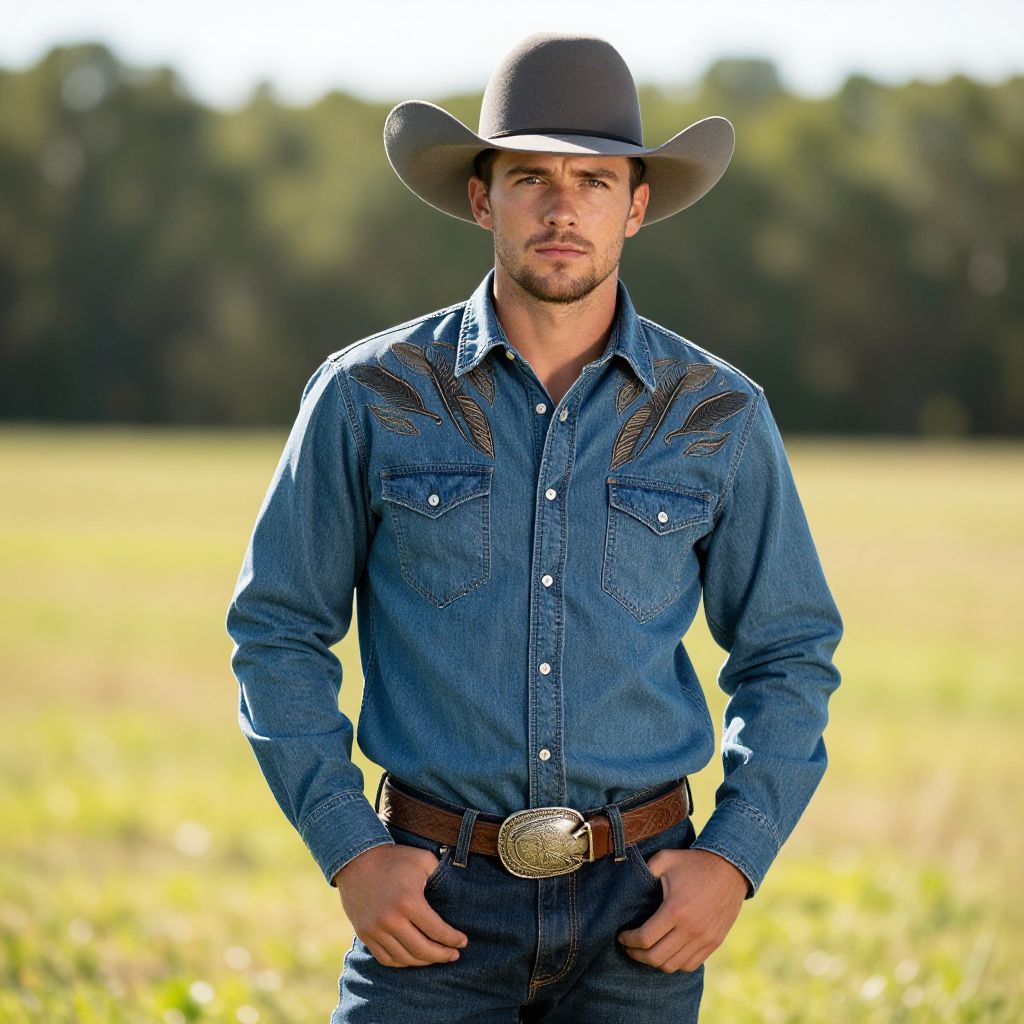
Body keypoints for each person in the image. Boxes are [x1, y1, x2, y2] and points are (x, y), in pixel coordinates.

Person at [225, 32, 843, 1024]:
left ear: (636, 206)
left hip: (640, 909)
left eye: (594, 181)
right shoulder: (368, 396)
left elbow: (790, 650)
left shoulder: (716, 413)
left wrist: (732, 858)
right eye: (530, 177)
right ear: (481, 197)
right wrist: (349, 846)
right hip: (430, 902)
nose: (563, 209)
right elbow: (277, 629)